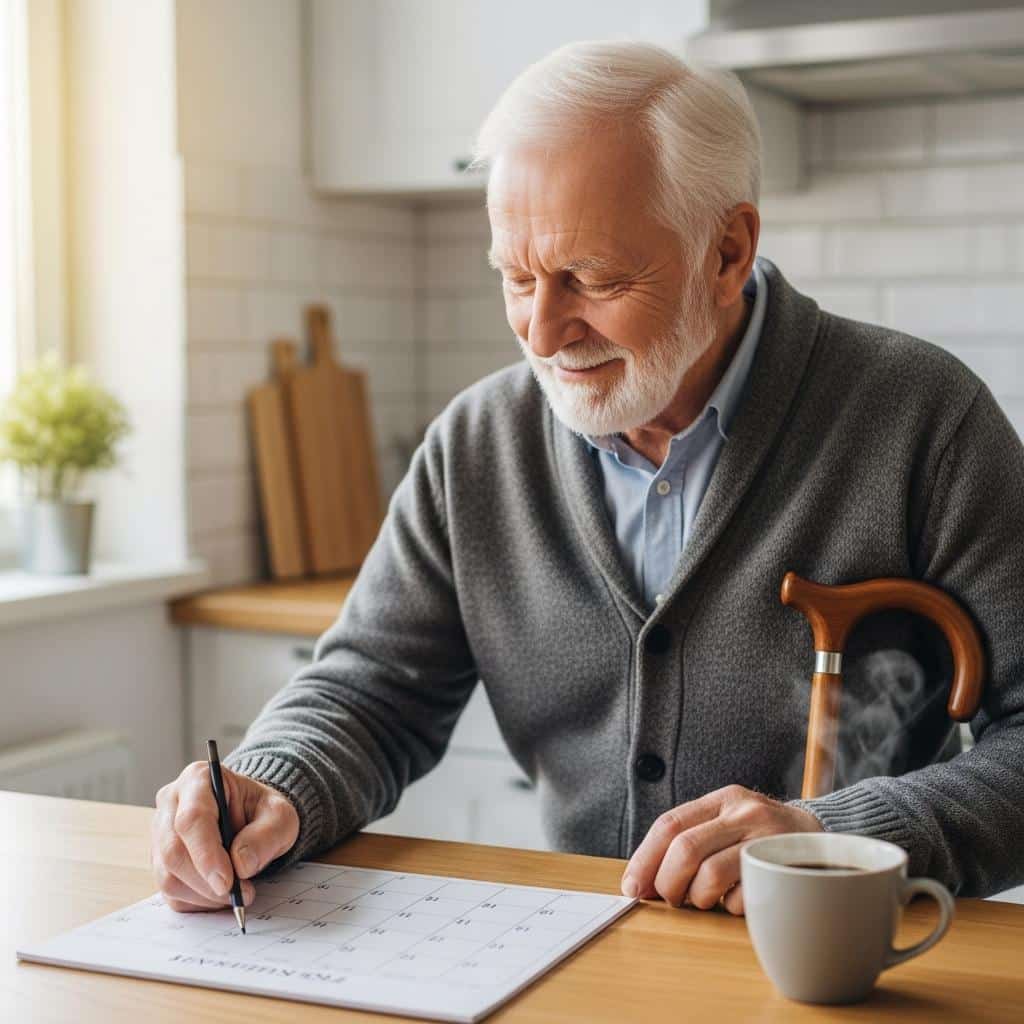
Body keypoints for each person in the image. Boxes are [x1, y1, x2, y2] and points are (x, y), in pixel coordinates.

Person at [152, 40, 1024, 918]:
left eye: (592, 279)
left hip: (845, 967)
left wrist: (832, 837)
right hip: (577, 963)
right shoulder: (476, 445)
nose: (540, 331)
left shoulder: (924, 420)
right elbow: (372, 688)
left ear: (726, 252)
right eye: (516, 277)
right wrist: (277, 782)